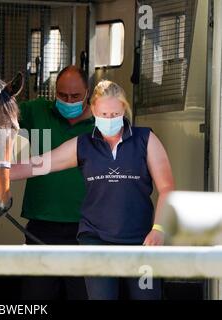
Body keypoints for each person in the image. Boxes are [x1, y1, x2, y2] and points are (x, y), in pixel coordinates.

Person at [9, 80, 175, 300]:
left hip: (141, 242)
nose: (110, 119)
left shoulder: (145, 139)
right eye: (104, 114)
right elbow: (38, 164)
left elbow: (167, 188)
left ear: (124, 110)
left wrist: (159, 229)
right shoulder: (83, 144)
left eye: (115, 114)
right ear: (94, 110)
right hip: (96, 241)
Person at [0, 65, 93, 300]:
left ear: (88, 94)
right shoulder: (36, 111)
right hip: (41, 227)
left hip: (86, 228)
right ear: (55, 93)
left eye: (75, 97)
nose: (68, 101)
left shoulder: (103, 123)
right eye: (62, 96)